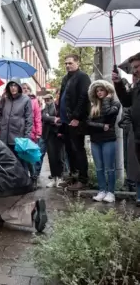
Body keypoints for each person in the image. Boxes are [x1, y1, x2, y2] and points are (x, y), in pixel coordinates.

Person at [57, 54, 91, 190]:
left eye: (70, 63)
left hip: (76, 121)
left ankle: (83, 180)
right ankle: (73, 177)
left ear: (78, 63)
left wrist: (77, 117)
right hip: (65, 121)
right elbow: (63, 98)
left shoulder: (82, 77)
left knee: (78, 149)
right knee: (69, 151)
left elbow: (84, 97)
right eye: (66, 63)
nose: (67, 65)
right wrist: (59, 114)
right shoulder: (66, 78)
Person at [86, 80, 121, 203]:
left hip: (108, 139)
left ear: (108, 91)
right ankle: (102, 190)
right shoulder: (94, 106)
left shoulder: (115, 103)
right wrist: (101, 126)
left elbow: (108, 113)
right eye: (97, 91)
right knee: (99, 168)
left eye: (101, 90)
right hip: (95, 140)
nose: (99, 93)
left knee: (109, 168)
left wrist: (107, 99)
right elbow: (88, 122)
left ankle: (111, 192)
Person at [113, 53, 140, 204]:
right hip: (137, 135)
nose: (134, 71)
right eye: (133, 68)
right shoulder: (137, 87)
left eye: (136, 67)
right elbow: (127, 101)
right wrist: (118, 83)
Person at [0, 78, 33, 170]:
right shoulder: (5, 99)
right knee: (7, 162)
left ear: (19, 87)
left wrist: (27, 137)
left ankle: (24, 182)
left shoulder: (26, 99)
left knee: (21, 163)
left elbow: (29, 119)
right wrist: (1, 123)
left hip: (19, 137)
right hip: (4, 137)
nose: (13, 88)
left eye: (15, 85)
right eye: (11, 85)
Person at [21, 83, 43, 182]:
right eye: (23, 88)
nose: (25, 90)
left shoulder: (34, 101)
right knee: (22, 155)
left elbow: (38, 118)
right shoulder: (18, 101)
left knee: (30, 156)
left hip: (32, 132)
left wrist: (38, 132)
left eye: (27, 88)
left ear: (30, 90)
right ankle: (25, 178)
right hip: (20, 131)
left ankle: (33, 177)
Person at [42, 94, 64, 188]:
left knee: (59, 157)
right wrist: (53, 119)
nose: (47, 101)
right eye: (45, 99)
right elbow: (43, 117)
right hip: (49, 134)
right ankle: (54, 178)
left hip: (58, 134)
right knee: (51, 157)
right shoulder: (45, 108)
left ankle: (60, 178)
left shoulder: (58, 106)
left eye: (48, 99)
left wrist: (50, 118)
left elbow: (61, 120)